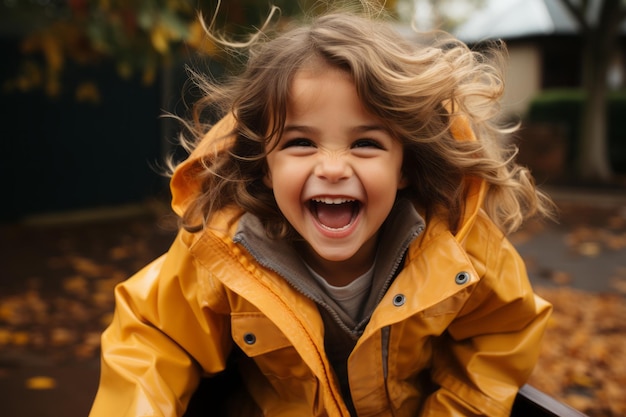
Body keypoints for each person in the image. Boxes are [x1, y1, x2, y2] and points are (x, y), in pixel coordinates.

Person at [89, 4, 555, 417]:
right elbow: (151, 338)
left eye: (366, 143)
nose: (332, 167)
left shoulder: (458, 250)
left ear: (405, 167)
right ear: (265, 166)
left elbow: (503, 333)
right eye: (301, 143)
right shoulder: (223, 253)